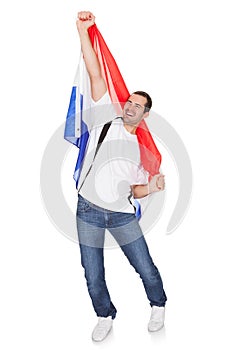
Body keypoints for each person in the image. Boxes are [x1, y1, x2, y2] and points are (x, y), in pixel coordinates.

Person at [75, 11, 167, 342]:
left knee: (144, 266)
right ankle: (104, 314)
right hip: (87, 209)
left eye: (137, 105)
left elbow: (137, 190)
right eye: (129, 100)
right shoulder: (105, 120)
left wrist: (153, 188)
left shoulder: (142, 151)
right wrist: (83, 31)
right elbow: (94, 70)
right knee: (93, 273)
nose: (129, 106)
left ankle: (158, 305)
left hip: (120, 216)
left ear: (144, 115)